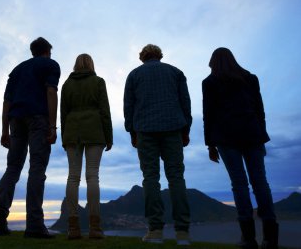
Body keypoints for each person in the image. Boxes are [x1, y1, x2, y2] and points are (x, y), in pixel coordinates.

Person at [202, 47, 278, 249]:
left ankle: (248, 238)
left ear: (213, 63)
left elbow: (208, 114)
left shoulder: (210, 83)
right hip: (253, 135)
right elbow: (259, 109)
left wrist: (210, 144)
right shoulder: (250, 78)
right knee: (260, 183)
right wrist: (261, 134)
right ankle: (270, 238)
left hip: (226, 138)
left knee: (239, 184)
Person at [0, 37, 60, 239]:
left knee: (12, 168)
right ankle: (35, 225)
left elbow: (6, 102)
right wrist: (53, 126)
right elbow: (51, 92)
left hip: (15, 120)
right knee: (37, 168)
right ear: (48, 51)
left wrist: (4, 130)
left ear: (33, 51)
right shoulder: (50, 65)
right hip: (39, 119)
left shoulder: (17, 69)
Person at [123, 44, 192, 245]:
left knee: (150, 178)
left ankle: (155, 231)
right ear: (159, 55)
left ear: (142, 57)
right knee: (176, 176)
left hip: (145, 130)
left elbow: (128, 106)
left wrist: (132, 132)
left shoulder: (134, 75)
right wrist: (186, 129)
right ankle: (183, 232)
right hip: (173, 129)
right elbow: (185, 102)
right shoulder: (175, 72)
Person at [60, 54, 113, 240]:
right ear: (91, 64)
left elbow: (63, 113)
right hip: (95, 131)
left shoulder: (67, 85)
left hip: (72, 133)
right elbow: (105, 111)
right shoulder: (98, 82)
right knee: (92, 176)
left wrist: (64, 137)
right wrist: (109, 137)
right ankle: (94, 227)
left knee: (73, 177)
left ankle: (73, 228)